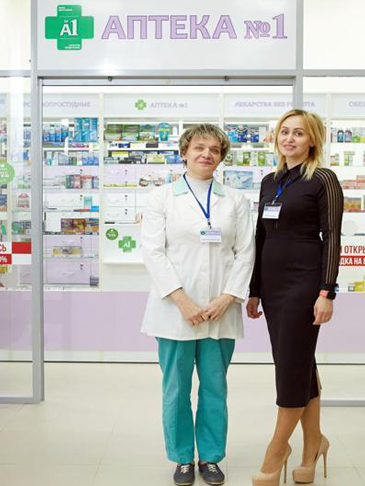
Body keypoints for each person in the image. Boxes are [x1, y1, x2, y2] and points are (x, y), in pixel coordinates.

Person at [141, 124, 255, 486]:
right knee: (175, 389)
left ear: (221, 157)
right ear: (184, 153)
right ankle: (181, 458)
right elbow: (153, 252)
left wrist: (228, 297)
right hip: (174, 312)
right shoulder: (161, 197)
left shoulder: (235, 200)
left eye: (215, 150)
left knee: (214, 388)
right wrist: (182, 300)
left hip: (220, 310)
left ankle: (210, 457)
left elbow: (246, 252)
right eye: (199, 148)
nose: (207, 154)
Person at [247, 109, 343, 486]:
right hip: (272, 283)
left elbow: (332, 236)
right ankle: (313, 445)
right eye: (284, 132)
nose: (289, 138)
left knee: (289, 365)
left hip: (305, 281)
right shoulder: (270, 181)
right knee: (299, 362)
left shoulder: (323, 179)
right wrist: (255, 289)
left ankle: (277, 450)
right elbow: (260, 236)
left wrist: (327, 291)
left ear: (312, 140)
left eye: (299, 133)